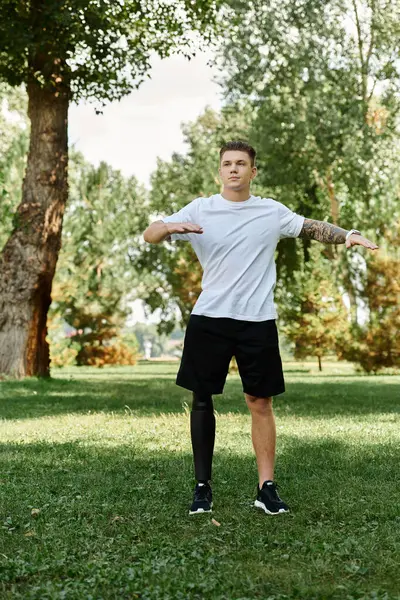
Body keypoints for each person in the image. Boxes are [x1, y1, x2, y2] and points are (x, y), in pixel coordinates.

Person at [142, 140, 378, 516]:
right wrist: (170, 225)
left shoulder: (271, 212)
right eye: (227, 163)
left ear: (253, 171)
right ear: (219, 171)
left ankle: (266, 487)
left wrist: (347, 234)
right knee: (202, 399)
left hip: (257, 320)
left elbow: (311, 227)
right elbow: (150, 234)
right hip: (210, 319)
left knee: (261, 402)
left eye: (241, 163)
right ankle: (202, 488)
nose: (233, 169)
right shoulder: (201, 209)